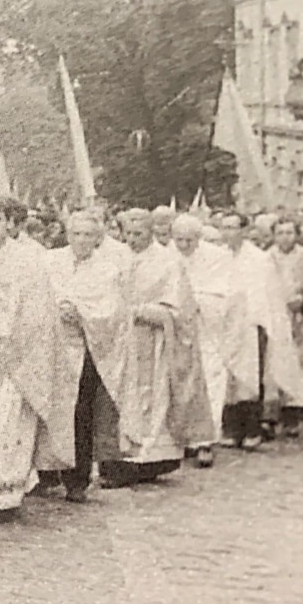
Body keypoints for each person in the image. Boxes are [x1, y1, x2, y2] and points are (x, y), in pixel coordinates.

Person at [0, 198, 70, 522]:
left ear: (9, 223)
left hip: (16, 357)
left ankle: (1, 498)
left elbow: (34, 313)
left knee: (6, 426)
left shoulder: (26, 259)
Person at [98, 209, 210, 488]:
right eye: (129, 234)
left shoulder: (168, 262)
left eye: (140, 234)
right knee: (117, 397)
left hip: (153, 342)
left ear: (151, 232)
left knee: (149, 399)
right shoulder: (115, 258)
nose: (133, 239)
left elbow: (180, 309)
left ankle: (147, 460)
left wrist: (142, 311)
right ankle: (117, 460)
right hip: (119, 342)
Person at [39, 212, 129, 501]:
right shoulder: (50, 261)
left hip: (84, 348)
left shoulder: (107, 270)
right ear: (68, 235)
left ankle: (77, 479)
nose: (81, 240)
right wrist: (55, 309)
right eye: (76, 234)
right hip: (50, 345)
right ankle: (45, 471)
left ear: (98, 238)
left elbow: (111, 311)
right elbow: (37, 296)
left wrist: (81, 314)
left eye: (88, 235)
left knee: (80, 412)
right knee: (47, 407)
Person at [220, 212, 303, 449]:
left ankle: (252, 429)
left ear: (244, 231)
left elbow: (267, 293)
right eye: (224, 228)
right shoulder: (221, 256)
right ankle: (232, 428)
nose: (228, 233)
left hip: (251, 322)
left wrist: (262, 321)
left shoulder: (258, 259)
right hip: (227, 324)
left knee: (250, 376)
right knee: (229, 376)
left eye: (233, 228)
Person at [172, 214, 232, 466]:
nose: (184, 245)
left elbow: (223, 293)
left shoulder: (217, 257)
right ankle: (184, 438)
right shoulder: (168, 255)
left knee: (210, 378)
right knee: (180, 380)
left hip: (206, 328)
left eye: (189, 240)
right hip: (177, 328)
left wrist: (195, 301)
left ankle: (206, 440)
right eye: (179, 240)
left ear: (199, 237)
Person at [268, 217, 303, 436]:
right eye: (281, 233)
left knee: (297, 362)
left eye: (289, 232)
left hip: (298, 315)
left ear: (297, 234)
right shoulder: (267, 257)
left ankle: (293, 414)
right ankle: (273, 415)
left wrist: (302, 300)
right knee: (275, 362)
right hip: (275, 314)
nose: (285, 237)